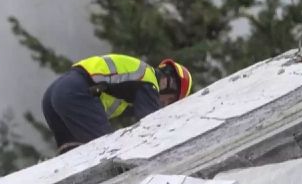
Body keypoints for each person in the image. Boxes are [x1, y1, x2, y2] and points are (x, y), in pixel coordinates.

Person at [42, 54, 191, 151]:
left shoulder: (135, 84)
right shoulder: (149, 82)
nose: (165, 105)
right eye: (170, 100)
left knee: (72, 156)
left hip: (54, 95)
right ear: (169, 84)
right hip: (75, 93)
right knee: (107, 151)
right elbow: (152, 127)